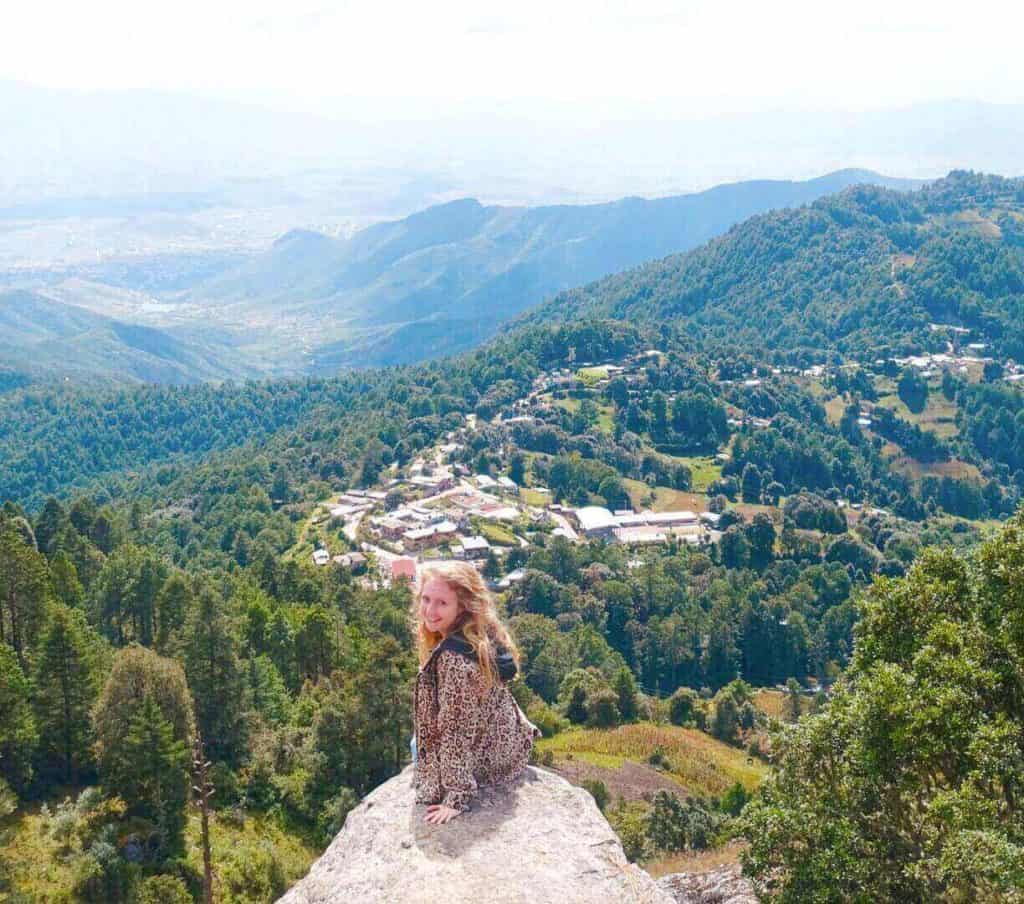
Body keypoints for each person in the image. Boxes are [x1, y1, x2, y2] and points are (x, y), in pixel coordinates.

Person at [412, 560, 540, 825]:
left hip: (488, 755)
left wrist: (456, 796)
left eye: (442, 603)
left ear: (462, 607)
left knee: (417, 746)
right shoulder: (480, 631)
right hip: (505, 739)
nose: (430, 610)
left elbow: (456, 728)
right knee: (418, 741)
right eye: (426, 599)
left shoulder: (453, 659)